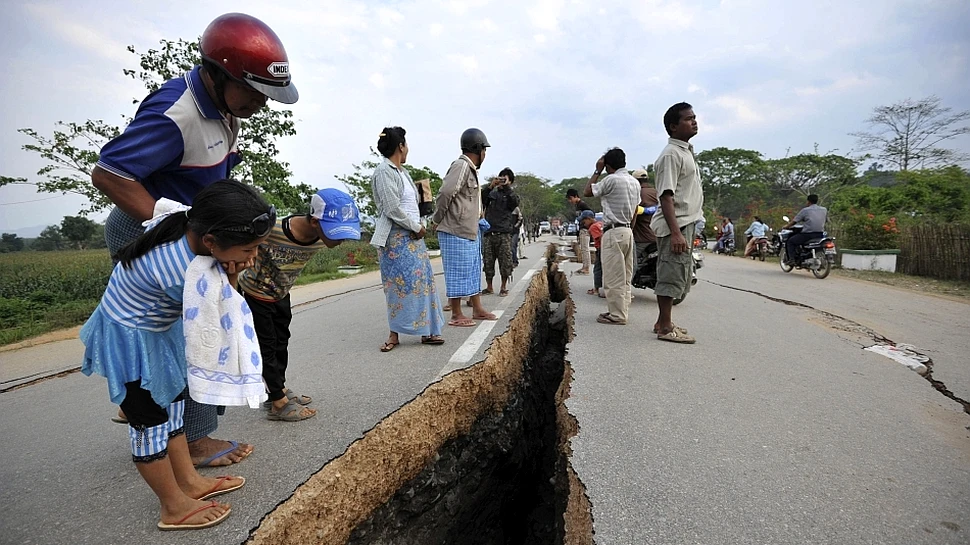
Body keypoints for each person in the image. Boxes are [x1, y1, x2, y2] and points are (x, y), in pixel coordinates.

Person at [92, 12, 298, 467]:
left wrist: (223, 235)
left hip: (200, 233)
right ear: (217, 73)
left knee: (193, 330)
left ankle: (156, 414)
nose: (261, 104)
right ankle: (191, 437)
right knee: (196, 333)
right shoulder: (177, 112)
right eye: (255, 92)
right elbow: (109, 174)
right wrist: (176, 229)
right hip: (159, 231)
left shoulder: (225, 110)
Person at [80, 180, 275, 530]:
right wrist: (232, 280)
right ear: (212, 242)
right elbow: (217, 320)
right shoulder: (182, 273)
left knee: (172, 408)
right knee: (150, 423)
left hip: (153, 332)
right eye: (248, 249)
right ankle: (172, 507)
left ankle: (188, 482)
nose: (252, 258)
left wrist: (232, 269)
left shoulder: (188, 225)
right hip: (131, 343)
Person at [238, 188, 361, 421]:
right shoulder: (272, 230)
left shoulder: (322, 241)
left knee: (281, 341)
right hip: (256, 294)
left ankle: (279, 388)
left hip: (282, 293)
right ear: (315, 221)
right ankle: (277, 401)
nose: (341, 239)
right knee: (266, 345)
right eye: (336, 232)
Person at [369, 127, 446, 352]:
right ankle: (394, 334)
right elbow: (391, 208)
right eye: (406, 144)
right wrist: (415, 226)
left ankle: (426, 331)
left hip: (413, 237)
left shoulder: (403, 172)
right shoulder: (384, 171)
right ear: (401, 146)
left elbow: (409, 205)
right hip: (396, 239)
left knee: (422, 284)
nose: (408, 148)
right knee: (398, 287)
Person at [432, 128, 498, 327]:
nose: (485, 154)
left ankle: (477, 309)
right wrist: (437, 219)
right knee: (457, 272)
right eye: (484, 150)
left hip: (469, 230)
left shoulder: (471, 169)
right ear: (478, 149)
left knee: (472, 270)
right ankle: (456, 314)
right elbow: (446, 193)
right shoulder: (461, 166)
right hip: (455, 229)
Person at [651, 102, 704, 343]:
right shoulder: (671, 154)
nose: (694, 121)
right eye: (688, 119)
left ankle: (664, 322)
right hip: (677, 224)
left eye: (694, 117)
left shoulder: (685, 151)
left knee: (680, 273)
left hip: (686, 222)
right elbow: (666, 195)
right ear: (673, 127)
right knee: (672, 274)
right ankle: (664, 328)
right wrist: (676, 232)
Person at [584, 148, 640, 325]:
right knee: (625, 275)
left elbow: (587, 191)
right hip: (628, 231)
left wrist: (597, 171)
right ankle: (622, 309)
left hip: (613, 231)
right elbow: (636, 212)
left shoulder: (611, 180)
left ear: (608, 165)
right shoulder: (634, 182)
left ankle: (617, 315)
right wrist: (630, 228)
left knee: (613, 276)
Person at [481, 168, 520, 296]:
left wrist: (507, 188)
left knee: (505, 262)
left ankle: (503, 287)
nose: (502, 180)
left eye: (505, 178)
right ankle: (489, 286)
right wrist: (491, 186)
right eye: (501, 177)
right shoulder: (492, 193)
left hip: (504, 233)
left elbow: (514, 203)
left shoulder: (511, 195)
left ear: (511, 181)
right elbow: (481, 199)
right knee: (488, 261)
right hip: (489, 232)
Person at [782, 194, 828, 265]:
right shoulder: (824, 210)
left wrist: (786, 226)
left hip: (808, 235)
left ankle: (792, 260)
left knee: (790, 241)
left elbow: (794, 221)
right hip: (820, 234)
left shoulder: (805, 210)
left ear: (808, 201)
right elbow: (826, 220)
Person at [630, 168, 659, 257]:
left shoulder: (636, 194)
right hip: (658, 236)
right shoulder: (657, 192)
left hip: (641, 238)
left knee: (632, 265)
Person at [566, 188, 593, 274]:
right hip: (581, 229)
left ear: (575, 196)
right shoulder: (578, 205)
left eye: (570, 199)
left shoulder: (582, 204)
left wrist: (585, 221)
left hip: (585, 230)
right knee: (583, 249)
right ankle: (584, 266)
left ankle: (586, 268)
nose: (570, 201)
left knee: (585, 249)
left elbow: (591, 214)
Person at [578, 210, 605, 297]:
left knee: (597, 269)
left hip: (601, 249)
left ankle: (597, 289)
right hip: (606, 249)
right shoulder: (600, 223)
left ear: (589, 219)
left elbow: (600, 237)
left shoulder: (593, 227)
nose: (583, 223)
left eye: (584, 221)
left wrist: (601, 247)